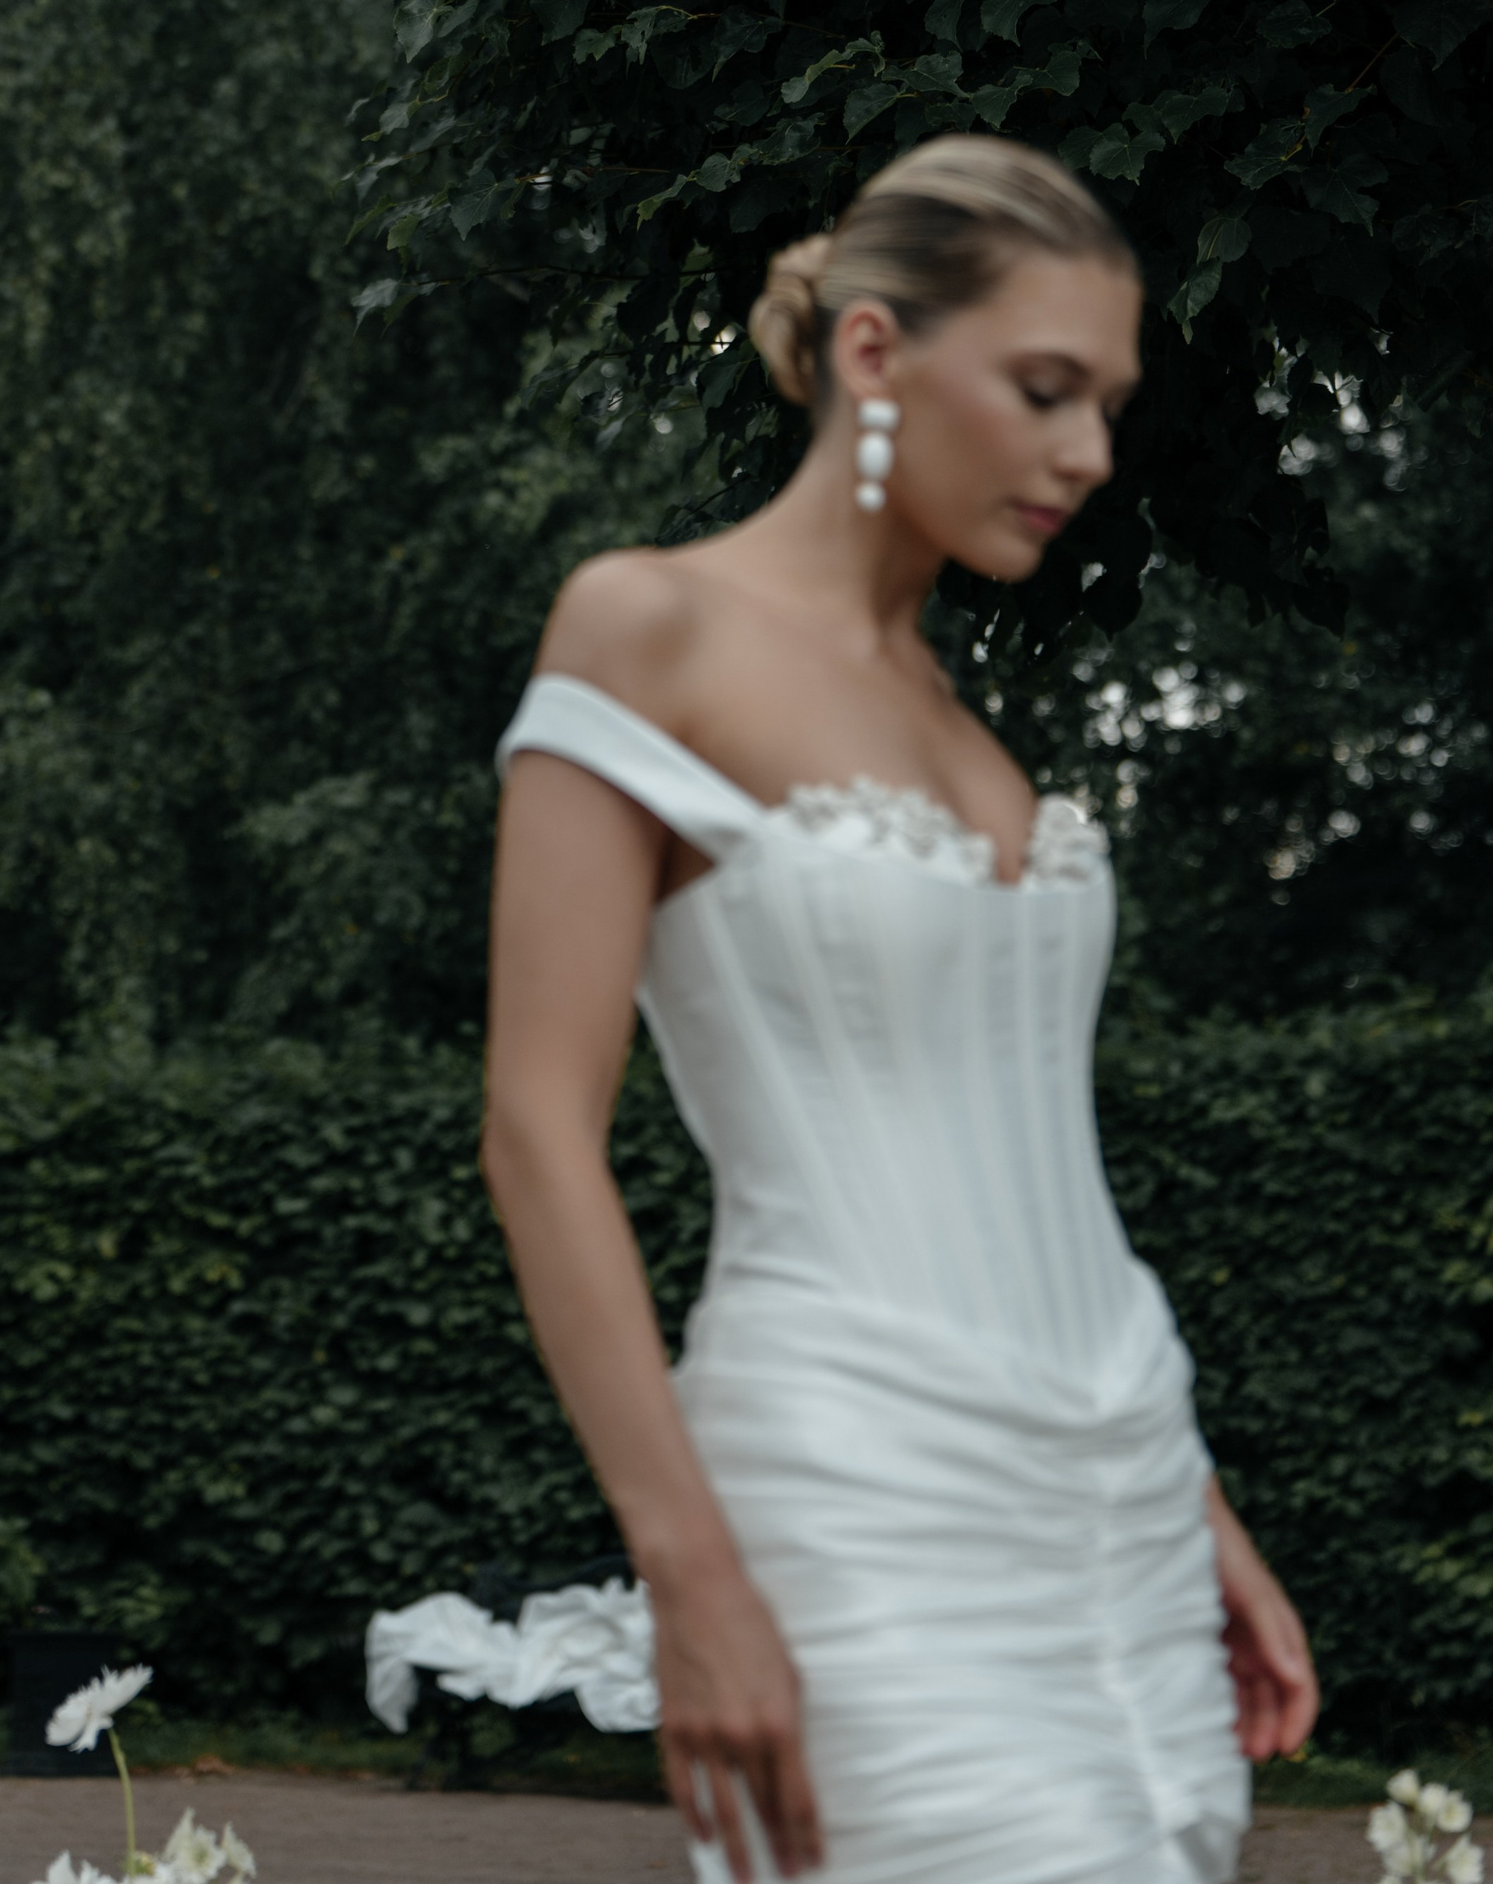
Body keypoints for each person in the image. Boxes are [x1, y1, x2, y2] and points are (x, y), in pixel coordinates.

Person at [480, 134, 1317, 1884]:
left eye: (1108, 406)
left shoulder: (960, 726)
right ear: (874, 351)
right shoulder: (648, 628)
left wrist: (1199, 1511)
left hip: (1124, 1483)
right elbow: (539, 1133)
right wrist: (689, 1573)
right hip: (861, 1483)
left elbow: (1032, 1159)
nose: (1088, 454)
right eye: (1045, 390)